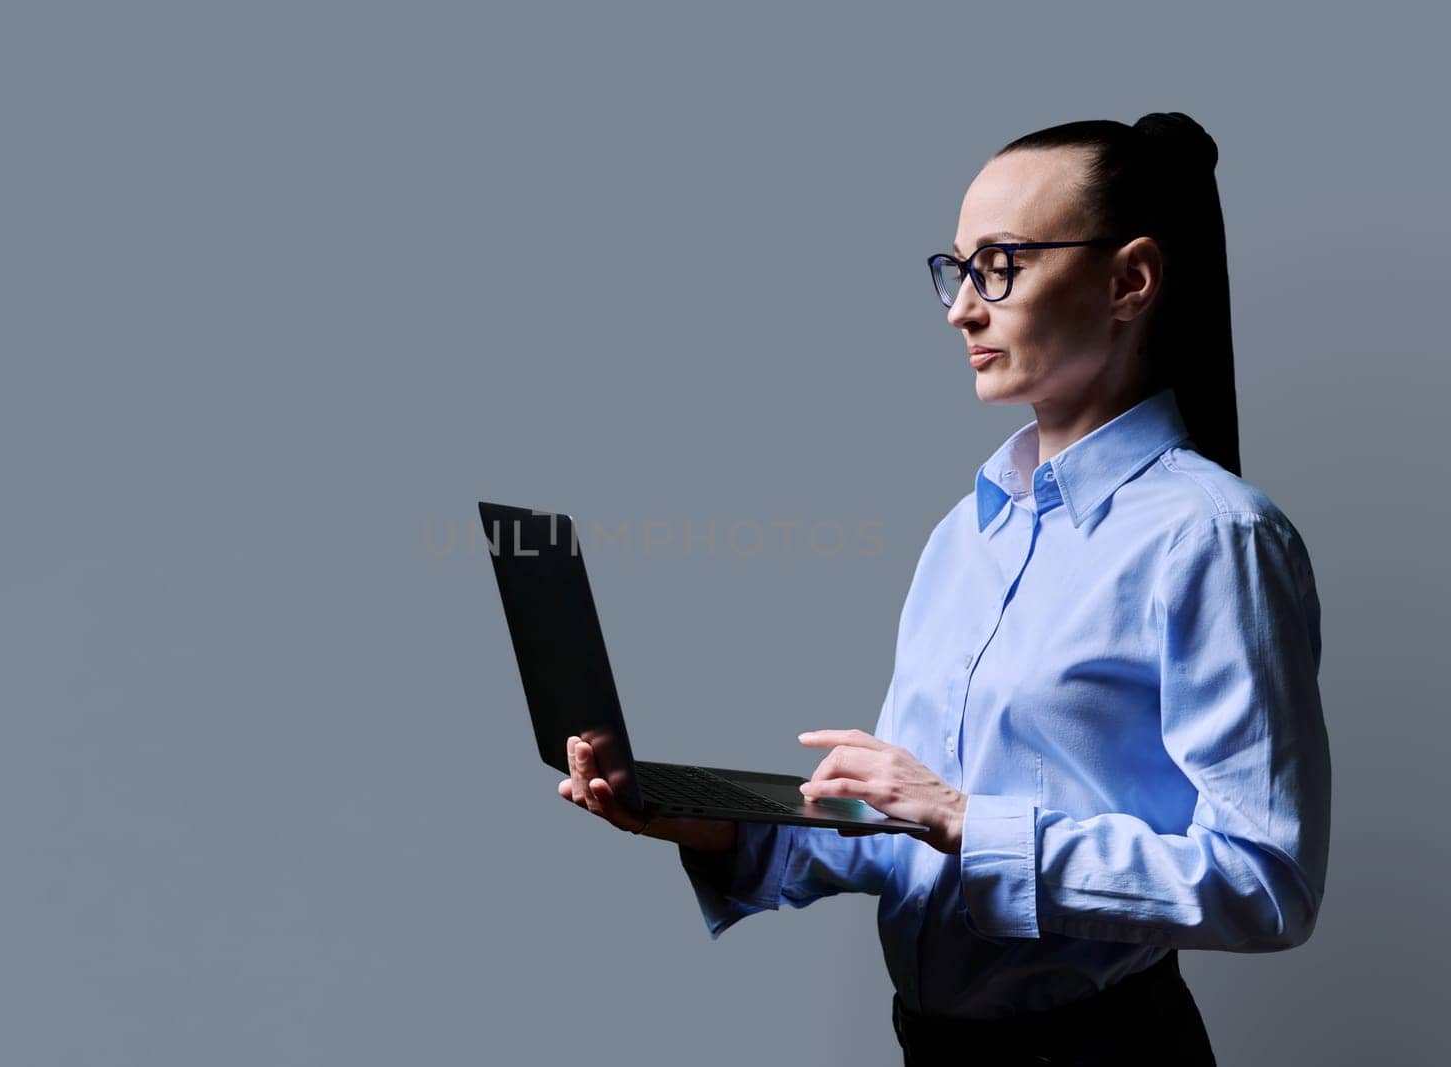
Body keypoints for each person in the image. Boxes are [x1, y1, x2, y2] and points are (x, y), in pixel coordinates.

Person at [554, 111, 1330, 1066]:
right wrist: (698, 817)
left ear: (1130, 280)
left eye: (1001, 266)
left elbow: (1268, 881)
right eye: (957, 271)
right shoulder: (965, 534)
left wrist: (969, 820)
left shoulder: (1214, 537)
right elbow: (903, 831)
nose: (963, 308)